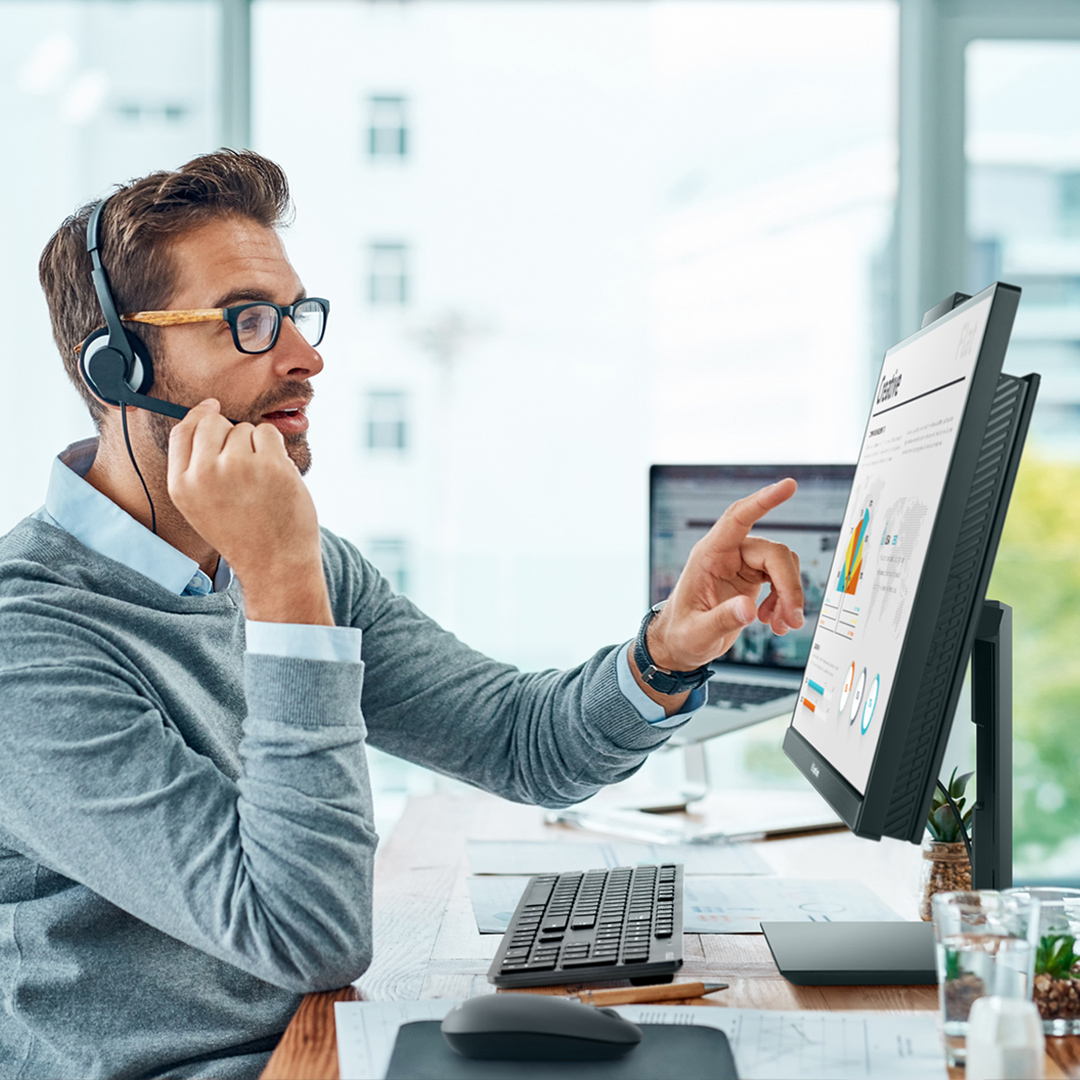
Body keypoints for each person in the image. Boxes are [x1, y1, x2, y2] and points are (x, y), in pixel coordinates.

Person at [0, 150, 804, 1079]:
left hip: (311, 1047)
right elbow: (305, 934)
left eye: (296, 315)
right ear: (117, 365)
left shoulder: (296, 565)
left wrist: (664, 649)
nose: (307, 356)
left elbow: (520, 741)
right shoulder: (30, 642)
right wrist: (286, 589)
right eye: (247, 322)